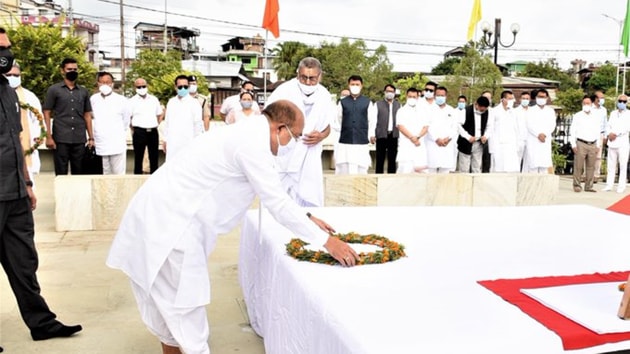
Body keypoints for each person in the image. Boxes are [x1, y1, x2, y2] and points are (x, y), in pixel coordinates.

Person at [106, 100, 359, 354]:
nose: (292, 144)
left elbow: (272, 192)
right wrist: (328, 243)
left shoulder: (247, 133)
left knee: (171, 319)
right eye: (294, 137)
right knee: (186, 315)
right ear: (280, 128)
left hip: (160, 218)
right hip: (172, 228)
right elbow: (277, 204)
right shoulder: (252, 143)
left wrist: (306, 216)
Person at [0, 28, 82, 352]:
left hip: (16, 192)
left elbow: (17, 141)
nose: (6, 52)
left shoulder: (8, 92)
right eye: (0, 47)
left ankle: (42, 324)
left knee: (25, 263)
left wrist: (28, 182)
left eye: (7, 47)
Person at [265, 57, 334, 206]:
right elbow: (267, 120)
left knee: (309, 199)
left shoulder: (325, 96)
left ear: (320, 76)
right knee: (279, 201)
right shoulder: (283, 91)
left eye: (312, 78)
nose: (308, 82)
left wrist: (321, 136)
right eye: (304, 78)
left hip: (310, 155)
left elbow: (328, 126)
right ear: (297, 74)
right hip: (285, 154)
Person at [43, 57, 94, 175]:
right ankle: (62, 194)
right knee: (61, 172)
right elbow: (47, 112)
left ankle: (78, 194)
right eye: (69, 69)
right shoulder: (54, 90)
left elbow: (87, 115)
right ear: (62, 71)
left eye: (75, 69)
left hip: (79, 138)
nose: (72, 71)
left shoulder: (83, 91)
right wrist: (48, 136)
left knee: (79, 172)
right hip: (60, 137)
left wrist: (91, 138)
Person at [5, 62, 44, 181]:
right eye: (9, 75)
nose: (13, 78)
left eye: (16, 75)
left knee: (28, 181)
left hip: (26, 143)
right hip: (5, 145)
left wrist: (38, 136)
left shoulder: (29, 96)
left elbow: (38, 119)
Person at [90, 71, 131, 175]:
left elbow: (126, 121)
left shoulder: (122, 100)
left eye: (108, 82)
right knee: (104, 173)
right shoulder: (93, 99)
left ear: (112, 83)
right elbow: (91, 118)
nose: (105, 84)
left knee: (119, 174)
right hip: (100, 143)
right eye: (102, 82)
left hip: (117, 142)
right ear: (98, 83)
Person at [335, 75, 376, 175]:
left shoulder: (367, 102)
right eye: (352, 84)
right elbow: (338, 119)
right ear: (349, 85)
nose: (355, 86)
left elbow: (372, 120)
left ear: (361, 86)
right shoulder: (342, 102)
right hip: (346, 141)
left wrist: (371, 134)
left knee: (361, 168)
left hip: (361, 140)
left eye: (357, 84)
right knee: (344, 167)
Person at [163, 75, 203, 161]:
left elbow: (198, 125)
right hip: (172, 143)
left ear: (189, 87)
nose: (183, 89)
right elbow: (167, 123)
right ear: (175, 87)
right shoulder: (171, 102)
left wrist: (197, 143)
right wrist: (165, 140)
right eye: (180, 87)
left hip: (188, 142)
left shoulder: (194, 103)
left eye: (185, 86)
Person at [129, 78, 164, 174]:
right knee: (138, 158)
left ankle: (154, 179)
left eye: (143, 86)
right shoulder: (131, 101)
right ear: (134, 87)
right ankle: (137, 178)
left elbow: (160, 114)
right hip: (139, 132)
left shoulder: (153, 99)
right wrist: (134, 129)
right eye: (139, 87)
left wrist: (156, 124)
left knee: (154, 157)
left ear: (147, 86)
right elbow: (128, 118)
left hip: (152, 131)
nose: (141, 88)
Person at [569, 95, 601, 192]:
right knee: (578, 166)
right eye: (584, 103)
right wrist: (573, 144)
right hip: (581, 143)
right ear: (582, 104)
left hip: (592, 143)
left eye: (588, 103)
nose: (586, 105)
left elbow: (598, 131)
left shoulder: (596, 116)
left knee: (591, 166)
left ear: (591, 104)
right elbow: (572, 130)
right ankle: (577, 185)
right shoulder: (577, 115)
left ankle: (589, 186)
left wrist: (598, 145)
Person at [425, 86, 459, 173]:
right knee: (431, 172)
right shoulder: (429, 110)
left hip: (447, 144)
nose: (440, 97)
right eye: (438, 95)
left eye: (442, 95)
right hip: (432, 143)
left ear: (446, 96)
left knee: (445, 173)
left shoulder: (451, 110)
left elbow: (455, 127)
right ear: (435, 96)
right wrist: (436, 139)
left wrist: (448, 138)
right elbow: (427, 126)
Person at [396, 88, 428, 173]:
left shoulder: (423, 111)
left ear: (418, 97)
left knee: (421, 175)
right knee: (404, 173)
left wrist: (417, 137)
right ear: (406, 96)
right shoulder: (401, 111)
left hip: (419, 145)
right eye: (410, 96)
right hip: (406, 146)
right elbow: (400, 126)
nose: (412, 98)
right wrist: (412, 138)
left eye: (414, 97)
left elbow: (426, 127)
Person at [603, 94, 630, 193]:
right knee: (611, 165)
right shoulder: (613, 113)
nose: (621, 103)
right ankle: (609, 185)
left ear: (626, 103)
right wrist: (609, 134)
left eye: (624, 102)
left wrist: (616, 134)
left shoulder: (629, 114)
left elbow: (627, 128)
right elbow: (608, 125)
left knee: (622, 165)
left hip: (622, 142)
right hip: (612, 142)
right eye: (620, 101)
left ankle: (621, 186)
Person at [525, 89, 556, 174]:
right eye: (539, 97)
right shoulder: (530, 110)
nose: (541, 98)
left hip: (545, 140)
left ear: (547, 98)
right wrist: (538, 134)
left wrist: (544, 134)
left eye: (543, 97)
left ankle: (543, 187)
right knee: (533, 165)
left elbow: (552, 125)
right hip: (533, 140)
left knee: (544, 166)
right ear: (535, 98)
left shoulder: (550, 111)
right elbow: (529, 125)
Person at [488, 90, 520, 172]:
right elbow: (490, 128)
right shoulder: (494, 111)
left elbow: (516, 129)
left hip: (511, 145)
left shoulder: (514, 112)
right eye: (509, 99)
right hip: (498, 145)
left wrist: (517, 144)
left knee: (511, 168)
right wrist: (491, 147)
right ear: (503, 99)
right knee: (498, 168)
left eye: (512, 99)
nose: (512, 101)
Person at [457, 96, 490, 173]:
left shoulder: (487, 112)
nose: (482, 112)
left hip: (479, 143)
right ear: (476, 104)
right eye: (481, 110)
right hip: (465, 143)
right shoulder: (465, 111)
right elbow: (458, 126)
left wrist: (485, 135)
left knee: (477, 167)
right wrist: (468, 137)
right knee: (464, 168)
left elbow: (489, 126)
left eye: (484, 110)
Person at [373, 84, 400, 174]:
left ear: (394, 93)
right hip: (381, 134)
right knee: (380, 158)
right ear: (384, 92)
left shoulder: (398, 105)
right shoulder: (377, 104)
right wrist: (373, 134)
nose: (389, 93)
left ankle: (391, 177)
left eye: (391, 91)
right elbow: (373, 120)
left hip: (394, 135)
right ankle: (378, 176)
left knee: (392, 158)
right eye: (388, 91)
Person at [592, 90, 608, 182]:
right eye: (601, 98)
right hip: (590, 133)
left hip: (600, 134)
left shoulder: (604, 110)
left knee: (598, 156)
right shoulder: (590, 108)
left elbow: (606, 123)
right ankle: (587, 174)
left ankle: (596, 175)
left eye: (603, 98)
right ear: (596, 98)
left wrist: (605, 136)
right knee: (589, 155)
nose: (602, 99)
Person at [514, 91, 531, 171]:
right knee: (517, 159)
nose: (525, 100)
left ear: (530, 99)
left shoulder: (532, 112)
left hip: (530, 139)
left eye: (527, 98)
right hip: (519, 139)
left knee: (528, 161)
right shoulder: (515, 111)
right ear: (520, 99)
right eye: (524, 98)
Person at [481, 90, 493, 172]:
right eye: (485, 98)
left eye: (489, 98)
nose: (487, 99)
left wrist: (486, 135)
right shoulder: (476, 110)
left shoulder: (493, 111)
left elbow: (492, 126)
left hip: (489, 139)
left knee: (487, 160)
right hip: (477, 138)